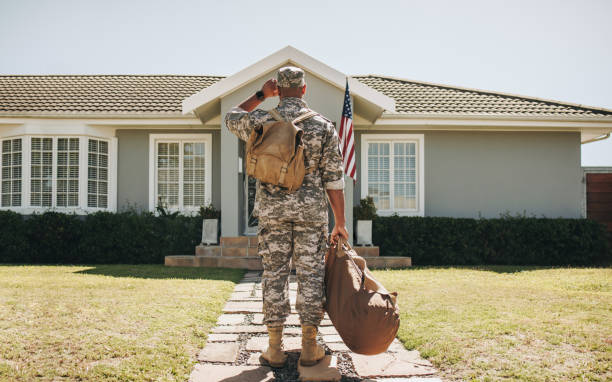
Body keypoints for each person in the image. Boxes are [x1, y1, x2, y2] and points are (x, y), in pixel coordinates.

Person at [224, 66, 349, 367]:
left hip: (272, 214)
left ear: (277, 88)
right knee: (311, 275)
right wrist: (341, 223)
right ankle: (308, 347)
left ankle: (275, 348)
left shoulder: (260, 120)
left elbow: (230, 116)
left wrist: (260, 96)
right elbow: (333, 179)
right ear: (305, 89)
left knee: (274, 275)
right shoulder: (322, 126)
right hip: (310, 216)